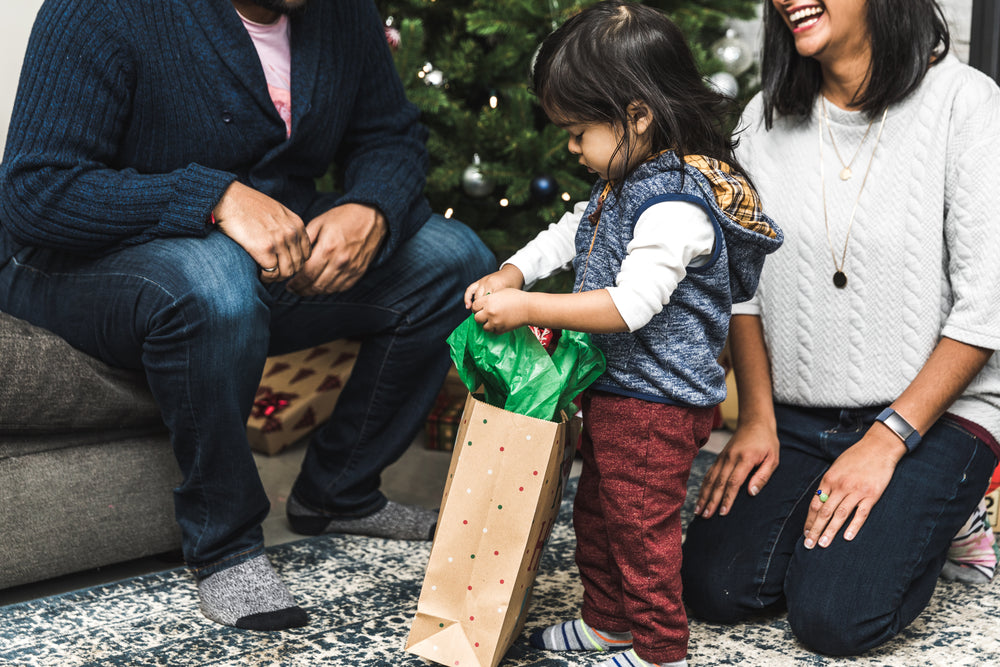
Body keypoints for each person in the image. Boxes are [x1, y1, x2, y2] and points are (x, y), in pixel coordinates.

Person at [0, 0, 494, 631]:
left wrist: (371, 207)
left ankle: (338, 491)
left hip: (272, 250)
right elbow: (37, 191)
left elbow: (390, 134)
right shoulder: (100, 10)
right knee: (214, 281)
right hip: (80, 260)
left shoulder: (341, 13)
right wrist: (214, 197)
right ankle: (225, 543)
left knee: (454, 260)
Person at [464, 3, 783, 665]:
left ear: (637, 116)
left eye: (579, 131)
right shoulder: (623, 181)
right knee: (599, 514)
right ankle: (607, 621)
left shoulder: (675, 206)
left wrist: (530, 307)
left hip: (657, 406)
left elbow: (632, 304)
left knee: (640, 528)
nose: (571, 148)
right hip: (619, 391)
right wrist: (514, 267)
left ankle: (661, 648)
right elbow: (571, 233)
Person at [681, 0, 1000, 657]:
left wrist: (886, 440)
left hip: (934, 413)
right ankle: (863, 517)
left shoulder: (968, 105)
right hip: (800, 412)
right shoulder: (762, 120)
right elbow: (744, 293)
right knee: (711, 587)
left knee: (834, 615)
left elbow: (986, 305)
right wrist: (758, 419)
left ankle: (949, 514)